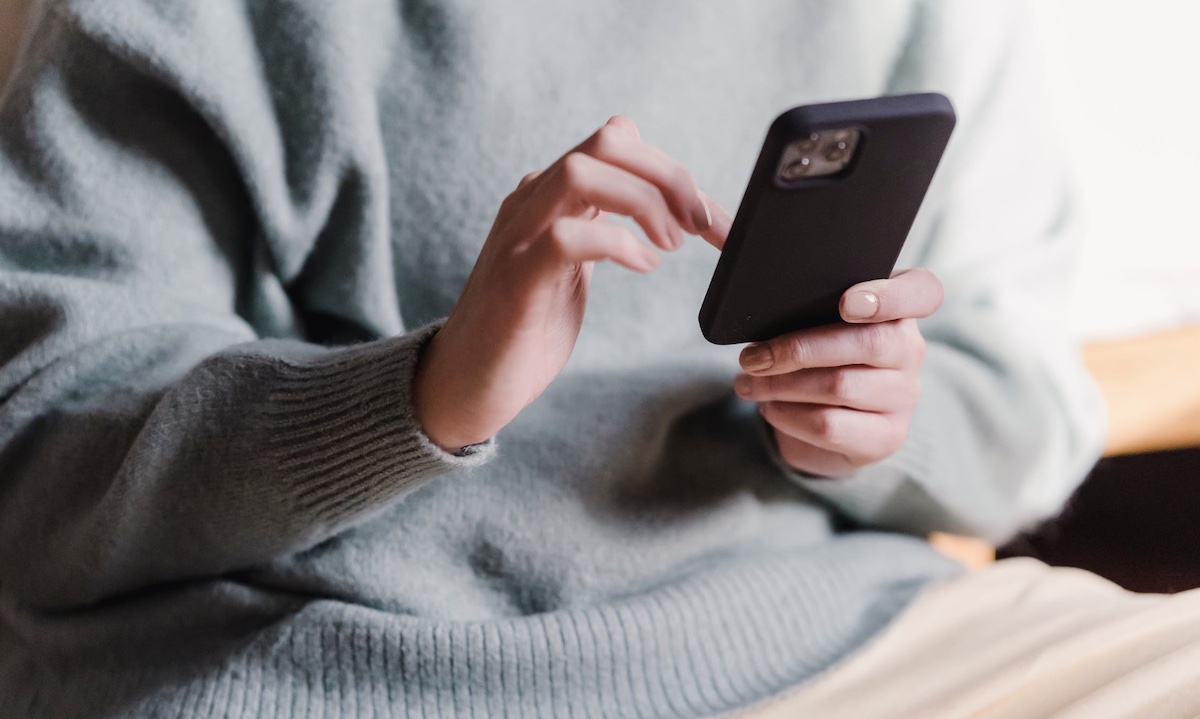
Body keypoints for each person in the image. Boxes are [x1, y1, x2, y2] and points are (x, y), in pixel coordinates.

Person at [5, 1, 1197, 717]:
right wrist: (423, 395)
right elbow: (38, 457)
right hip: (344, 661)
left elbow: (1032, 401)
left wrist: (887, 417)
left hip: (844, 632)